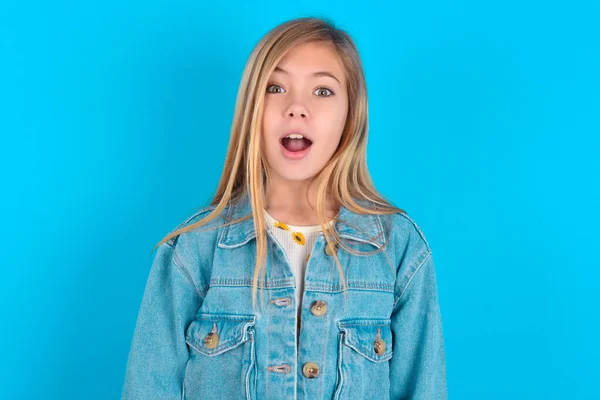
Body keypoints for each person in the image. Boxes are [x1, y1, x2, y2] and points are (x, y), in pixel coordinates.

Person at [121, 16, 447, 400]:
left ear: (350, 114)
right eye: (275, 87)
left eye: (323, 91)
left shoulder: (398, 249)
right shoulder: (192, 251)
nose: (296, 107)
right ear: (252, 110)